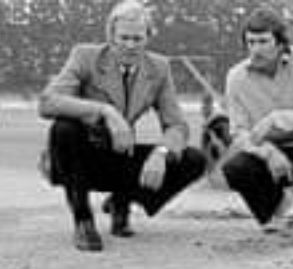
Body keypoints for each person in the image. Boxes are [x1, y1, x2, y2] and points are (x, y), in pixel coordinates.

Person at [38, 0, 206, 252]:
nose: (130, 45)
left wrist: (161, 153)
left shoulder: (159, 68)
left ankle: (121, 201)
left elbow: (177, 126)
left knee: (193, 159)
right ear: (111, 35)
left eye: (137, 38)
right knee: (64, 128)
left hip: (119, 154)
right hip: (80, 159)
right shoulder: (85, 56)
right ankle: (83, 220)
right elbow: (48, 102)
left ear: (148, 37)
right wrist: (105, 112)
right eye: (123, 38)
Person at [221, 7, 293, 248]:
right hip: (270, 158)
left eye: (263, 41)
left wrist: (276, 119)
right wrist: (268, 152)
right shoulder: (236, 77)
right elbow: (239, 131)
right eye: (250, 42)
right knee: (234, 168)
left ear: (280, 43)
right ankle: (276, 206)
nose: (256, 49)